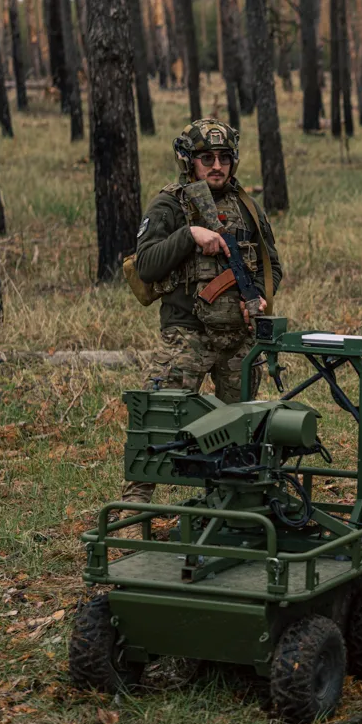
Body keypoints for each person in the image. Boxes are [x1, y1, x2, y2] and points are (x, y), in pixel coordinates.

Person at [121, 119, 283, 507]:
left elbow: (271, 265)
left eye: (224, 158)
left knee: (239, 430)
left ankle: (230, 507)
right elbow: (146, 265)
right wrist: (190, 235)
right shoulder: (169, 204)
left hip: (238, 338)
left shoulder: (247, 206)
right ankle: (133, 508)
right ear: (189, 161)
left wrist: (259, 297)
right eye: (206, 158)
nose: (217, 166)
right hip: (187, 334)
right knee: (158, 420)